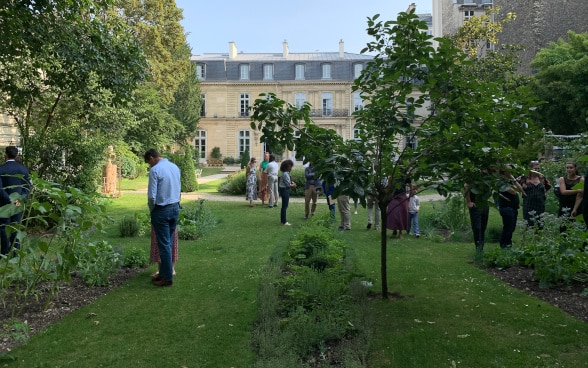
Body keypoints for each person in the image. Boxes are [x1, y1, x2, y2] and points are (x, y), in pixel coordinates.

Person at [144, 149, 181, 287]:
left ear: (152, 158)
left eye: (149, 162)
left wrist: (152, 210)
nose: (149, 165)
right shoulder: (174, 167)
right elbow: (178, 188)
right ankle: (165, 272)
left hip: (162, 210)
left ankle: (167, 278)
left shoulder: (155, 170)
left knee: (164, 245)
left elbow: (152, 196)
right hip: (175, 207)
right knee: (169, 242)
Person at [0, 146, 30, 255]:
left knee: (4, 227)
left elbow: (0, 188)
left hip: (4, 203)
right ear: (16, 155)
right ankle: (15, 252)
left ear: (5, 155)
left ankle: (4, 252)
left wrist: (9, 200)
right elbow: (27, 187)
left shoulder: (1, 169)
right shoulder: (23, 169)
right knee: (16, 226)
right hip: (18, 203)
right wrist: (21, 200)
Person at [518, 161, 549, 228]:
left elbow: (548, 186)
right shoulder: (524, 177)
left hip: (540, 204)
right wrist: (522, 192)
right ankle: (528, 237)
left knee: (540, 223)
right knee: (529, 223)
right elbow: (515, 183)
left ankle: (538, 238)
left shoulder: (542, 178)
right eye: (535, 168)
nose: (537, 170)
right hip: (528, 203)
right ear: (530, 169)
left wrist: (544, 192)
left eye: (538, 168)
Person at [498, 170, 523, 248]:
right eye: (509, 171)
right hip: (507, 208)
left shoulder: (510, 181)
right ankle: (504, 245)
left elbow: (520, 188)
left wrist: (514, 180)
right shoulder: (501, 182)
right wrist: (514, 181)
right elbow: (514, 191)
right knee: (508, 228)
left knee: (512, 228)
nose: (511, 172)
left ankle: (508, 244)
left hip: (513, 208)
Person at [465, 182, 490, 252]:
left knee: (483, 227)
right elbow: (466, 186)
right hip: (475, 205)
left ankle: (481, 247)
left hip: (484, 204)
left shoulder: (487, 176)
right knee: (477, 228)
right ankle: (479, 248)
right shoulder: (474, 176)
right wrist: (469, 201)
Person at [386, 173, 410, 239]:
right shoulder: (392, 175)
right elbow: (389, 187)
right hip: (394, 197)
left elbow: (410, 185)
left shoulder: (406, 176)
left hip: (402, 196)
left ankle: (400, 232)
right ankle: (394, 230)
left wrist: (409, 196)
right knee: (394, 213)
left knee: (402, 214)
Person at [278, 159, 296, 225]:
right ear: (286, 167)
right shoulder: (285, 174)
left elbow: (288, 181)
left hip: (284, 189)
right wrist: (293, 185)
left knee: (284, 206)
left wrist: (291, 182)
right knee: (285, 206)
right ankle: (284, 221)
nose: (291, 168)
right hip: (284, 190)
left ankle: (283, 220)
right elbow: (288, 185)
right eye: (289, 166)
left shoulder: (286, 173)